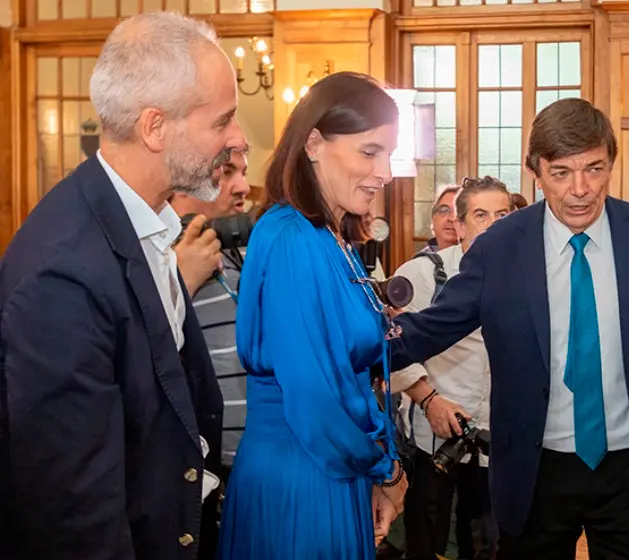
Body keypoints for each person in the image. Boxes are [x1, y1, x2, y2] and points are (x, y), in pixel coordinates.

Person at [391, 98, 629, 560]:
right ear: (534, 171)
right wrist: (343, 345)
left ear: (611, 162)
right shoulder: (500, 248)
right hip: (535, 471)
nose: (580, 189)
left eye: (594, 169)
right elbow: (428, 330)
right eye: (561, 173)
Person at [0, 11, 239, 559]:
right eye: (221, 121)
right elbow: (75, 510)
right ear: (155, 127)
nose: (234, 138)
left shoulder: (148, 225)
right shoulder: (62, 275)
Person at [217, 72, 408, 560]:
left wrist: (376, 465)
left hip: (332, 464)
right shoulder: (291, 239)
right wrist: (384, 469)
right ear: (315, 144)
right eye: (370, 152)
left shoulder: (329, 238)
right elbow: (317, 397)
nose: (385, 171)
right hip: (303, 473)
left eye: (388, 154)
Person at [393, 176, 511, 560]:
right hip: (435, 441)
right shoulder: (423, 274)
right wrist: (430, 400)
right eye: (481, 215)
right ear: (459, 225)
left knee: (489, 545)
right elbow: (392, 349)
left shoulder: (525, 278)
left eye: (502, 214)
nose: (494, 225)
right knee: (430, 542)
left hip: (499, 443)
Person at [172, 137, 251, 471]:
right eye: (227, 171)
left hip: (254, 466)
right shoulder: (154, 257)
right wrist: (180, 281)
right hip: (197, 468)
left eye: (244, 172)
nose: (243, 187)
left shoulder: (242, 251)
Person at [418, 184, 460, 255]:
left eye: (458, 212)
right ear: (433, 219)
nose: (451, 218)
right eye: (444, 210)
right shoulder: (419, 262)